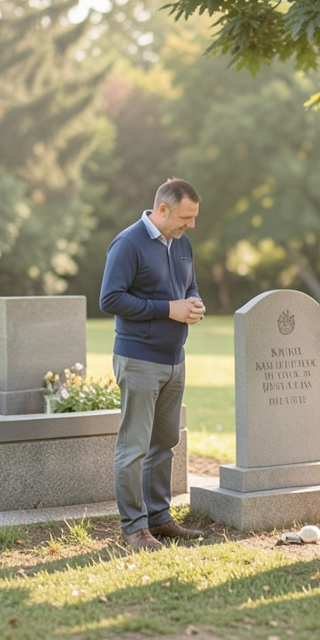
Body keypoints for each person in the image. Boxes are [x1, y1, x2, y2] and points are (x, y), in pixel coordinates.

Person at [100, 179, 207, 552]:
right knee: (134, 447)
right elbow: (110, 299)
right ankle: (134, 528)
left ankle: (159, 518)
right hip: (139, 359)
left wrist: (193, 303)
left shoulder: (181, 243)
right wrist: (168, 310)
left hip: (175, 358)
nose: (191, 224)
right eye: (185, 217)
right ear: (163, 209)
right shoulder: (128, 243)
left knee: (165, 442)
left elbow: (189, 286)